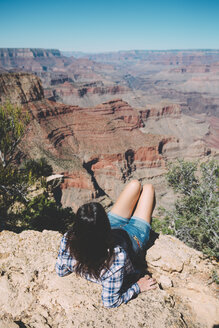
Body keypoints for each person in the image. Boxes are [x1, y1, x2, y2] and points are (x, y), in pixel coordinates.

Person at [55, 180, 157, 308]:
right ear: (105, 223)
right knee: (148, 188)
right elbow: (111, 302)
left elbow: (61, 271)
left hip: (104, 232)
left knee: (135, 185)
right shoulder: (115, 257)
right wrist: (138, 287)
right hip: (131, 239)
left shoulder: (68, 238)